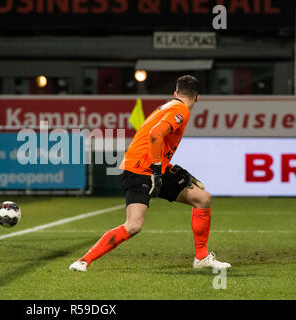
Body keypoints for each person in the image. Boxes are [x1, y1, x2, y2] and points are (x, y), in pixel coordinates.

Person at [69, 75, 231, 272]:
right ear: (198, 97)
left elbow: (152, 140)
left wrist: (166, 167)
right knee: (134, 225)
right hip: (141, 169)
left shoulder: (169, 106)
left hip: (152, 167)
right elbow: (155, 134)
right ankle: (83, 260)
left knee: (202, 198)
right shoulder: (180, 110)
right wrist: (156, 170)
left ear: (175, 93)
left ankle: (202, 257)